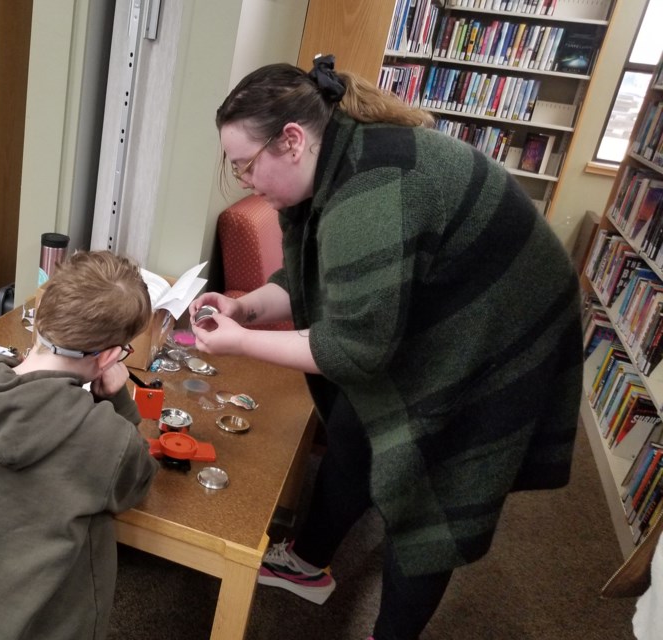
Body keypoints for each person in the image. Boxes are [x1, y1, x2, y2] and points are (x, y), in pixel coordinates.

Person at [189, 55, 582, 640]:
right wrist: (245, 307)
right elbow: (322, 287)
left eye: (246, 165)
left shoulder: (369, 191)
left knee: (433, 497)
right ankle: (307, 561)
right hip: (457, 299)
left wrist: (242, 342)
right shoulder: (337, 161)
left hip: (500, 325)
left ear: (291, 141)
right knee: (355, 424)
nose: (244, 180)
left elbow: (354, 350)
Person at [0, 250, 160, 640]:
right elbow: (138, 483)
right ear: (106, 357)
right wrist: (118, 402)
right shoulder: (102, 435)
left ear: (41, 320)